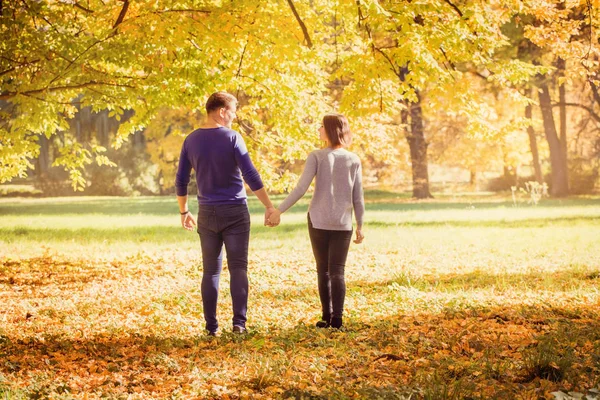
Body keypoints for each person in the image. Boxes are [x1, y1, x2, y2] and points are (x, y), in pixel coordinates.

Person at [175, 91, 276, 336]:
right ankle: (239, 324)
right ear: (222, 111)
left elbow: (181, 180)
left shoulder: (191, 140)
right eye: (232, 111)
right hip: (235, 212)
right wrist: (269, 206)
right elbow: (250, 174)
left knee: (211, 270)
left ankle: (211, 328)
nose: (234, 116)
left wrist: (184, 211)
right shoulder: (233, 138)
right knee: (239, 268)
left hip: (207, 213)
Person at [267, 113, 364, 329]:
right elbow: (358, 196)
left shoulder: (317, 156)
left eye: (321, 126)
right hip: (342, 223)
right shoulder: (353, 159)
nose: (319, 129)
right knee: (338, 270)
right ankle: (337, 319)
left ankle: (326, 316)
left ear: (330, 130)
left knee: (324, 270)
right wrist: (360, 225)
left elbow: (301, 188)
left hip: (318, 220)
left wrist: (279, 210)